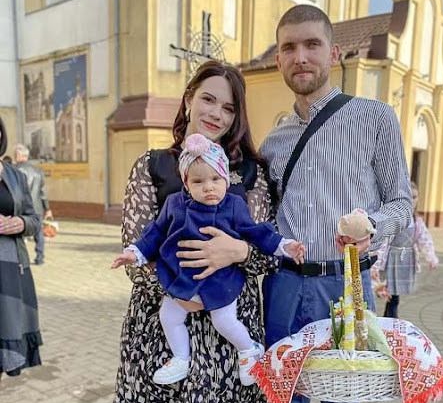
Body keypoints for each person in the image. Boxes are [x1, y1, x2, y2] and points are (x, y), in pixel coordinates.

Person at [257, 5, 413, 403]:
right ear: (279, 58)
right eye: (289, 47)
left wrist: (373, 226)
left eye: (311, 45)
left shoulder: (374, 119)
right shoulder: (273, 140)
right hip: (284, 290)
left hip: (343, 290)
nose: (300, 57)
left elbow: (402, 202)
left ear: (334, 52)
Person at [106, 61, 277, 403]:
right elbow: (136, 243)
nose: (217, 114)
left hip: (230, 329)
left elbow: (268, 255)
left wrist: (237, 250)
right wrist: (180, 287)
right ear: (187, 100)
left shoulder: (249, 175)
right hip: (167, 324)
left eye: (229, 107)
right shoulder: (153, 166)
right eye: (209, 100)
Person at [112, 133, 305, 386]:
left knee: (224, 320)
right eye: (198, 181)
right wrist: (135, 253)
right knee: (169, 317)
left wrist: (284, 246)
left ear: (226, 179)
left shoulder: (234, 205)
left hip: (220, 280)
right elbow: (154, 234)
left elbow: (257, 233)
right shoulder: (174, 204)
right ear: (186, 184)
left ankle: (248, 350)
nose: (209, 187)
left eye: (216, 179)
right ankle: (181, 357)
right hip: (182, 277)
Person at [0, 157, 43, 403]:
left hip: (11, 268)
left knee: (5, 332)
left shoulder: (15, 175)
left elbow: (34, 218)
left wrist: (21, 223)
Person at [375, 182, 439, 318]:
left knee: (395, 295)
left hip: (405, 261)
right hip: (389, 261)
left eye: (415, 197)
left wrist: (431, 257)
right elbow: (382, 243)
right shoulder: (393, 219)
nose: (412, 201)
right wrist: (375, 265)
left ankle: (391, 318)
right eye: (408, 197)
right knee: (383, 290)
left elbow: (425, 240)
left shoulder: (418, 221)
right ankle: (387, 318)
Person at [14, 144, 53, 265]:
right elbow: (43, 192)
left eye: (16, 155)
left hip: (21, 207)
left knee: (17, 232)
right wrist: (47, 208)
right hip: (37, 207)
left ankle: (20, 259)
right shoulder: (38, 171)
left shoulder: (14, 170)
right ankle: (40, 257)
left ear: (18, 155)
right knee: (39, 231)